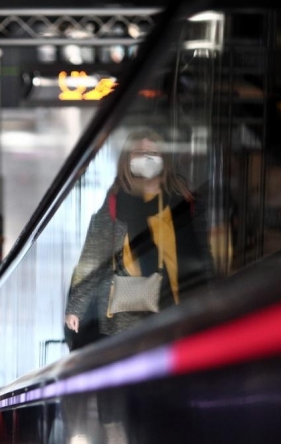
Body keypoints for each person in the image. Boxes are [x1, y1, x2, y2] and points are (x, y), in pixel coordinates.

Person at [64, 129, 214, 443]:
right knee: (119, 375)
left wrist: (211, 295)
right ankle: (116, 431)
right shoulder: (116, 203)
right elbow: (92, 257)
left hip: (176, 302)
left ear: (164, 159)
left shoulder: (183, 201)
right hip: (126, 304)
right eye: (138, 153)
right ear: (127, 161)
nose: (146, 160)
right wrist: (77, 304)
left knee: (168, 378)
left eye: (153, 153)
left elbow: (202, 253)